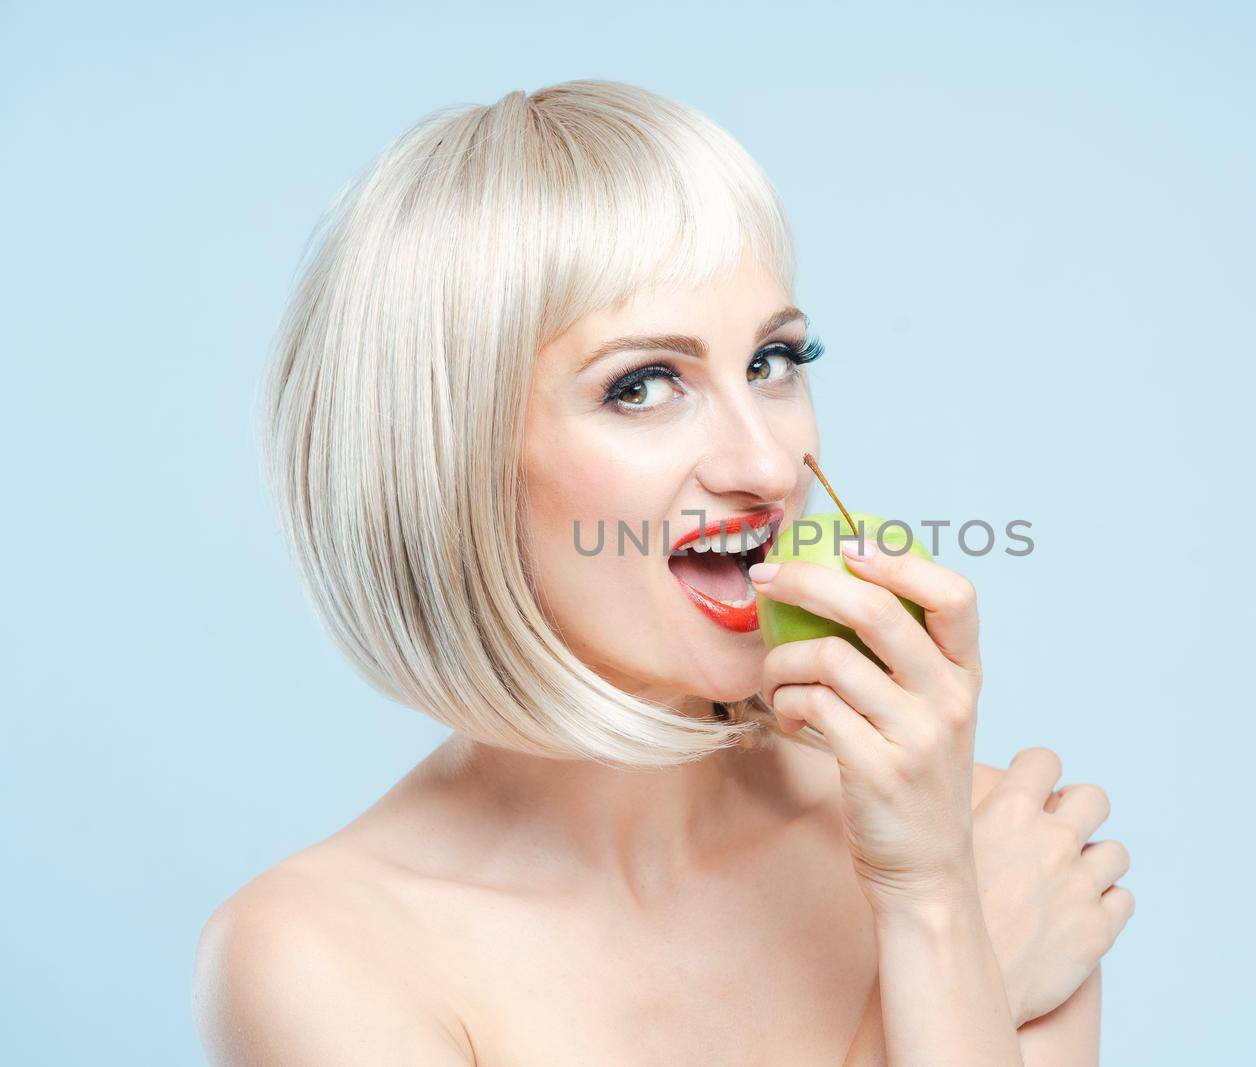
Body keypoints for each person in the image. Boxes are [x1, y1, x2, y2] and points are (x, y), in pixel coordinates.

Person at [192, 79, 1134, 1065]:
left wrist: (932, 894)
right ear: (446, 468)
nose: (768, 464)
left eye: (773, 359)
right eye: (643, 385)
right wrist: (947, 960)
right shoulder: (321, 955)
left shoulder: (984, 841)